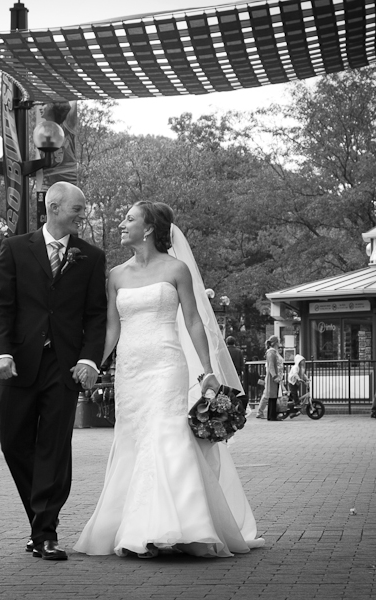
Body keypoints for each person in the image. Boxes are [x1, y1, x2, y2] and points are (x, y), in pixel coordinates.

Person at [74, 201, 262, 558]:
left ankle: (180, 527)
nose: (121, 224)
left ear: (147, 229)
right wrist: (93, 365)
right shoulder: (116, 275)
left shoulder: (176, 269)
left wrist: (207, 370)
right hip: (131, 369)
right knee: (134, 439)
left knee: (166, 436)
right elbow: (112, 330)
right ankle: (135, 526)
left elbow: (193, 321)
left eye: (128, 219)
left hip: (165, 365)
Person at [0, 181, 107, 561]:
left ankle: (46, 532)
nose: (82, 215)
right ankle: (37, 522)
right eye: (77, 209)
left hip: (64, 365)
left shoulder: (91, 256)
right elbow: (2, 306)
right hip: (20, 364)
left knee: (55, 449)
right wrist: (2, 353)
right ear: (54, 208)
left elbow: (96, 314)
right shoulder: (15, 248)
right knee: (13, 443)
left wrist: (89, 360)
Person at [258, 335, 284, 421]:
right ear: (276, 342)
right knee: (272, 396)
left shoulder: (272, 352)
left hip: (273, 376)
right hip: (273, 377)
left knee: (273, 396)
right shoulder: (271, 352)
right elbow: (271, 366)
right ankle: (272, 416)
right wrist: (275, 376)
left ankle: (271, 415)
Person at [285, 354, 309, 419]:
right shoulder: (295, 367)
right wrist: (298, 379)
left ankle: (293, 409)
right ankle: (296, 405)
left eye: (304, 361)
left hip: (296, 383)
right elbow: (295, 374)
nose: (303, 362)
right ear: (299, 361)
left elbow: (303, 375)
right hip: (292, 383)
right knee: (295, 393)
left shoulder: (301, 368)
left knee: (294, 395)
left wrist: (307, 379)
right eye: (302, 361)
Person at [226, 336, 246, 410]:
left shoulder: (223, 351)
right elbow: (242, 364)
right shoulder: (239, 351)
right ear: (234, 342)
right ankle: (236, 406)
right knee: (236, 390)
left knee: (226, 390)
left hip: (226, 374)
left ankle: (227, 405)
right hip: (236, 374)